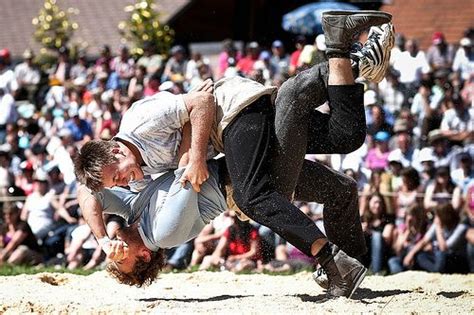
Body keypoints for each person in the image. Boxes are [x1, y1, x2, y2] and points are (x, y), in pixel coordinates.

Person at [75, 12, 394, 297]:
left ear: (115, 151)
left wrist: (102, 239)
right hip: (246, 154)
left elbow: (185, 166)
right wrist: (190, 131)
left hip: (235, 125)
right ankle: (342, 54)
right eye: (120, 261)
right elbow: (180, 169)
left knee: (255, 196)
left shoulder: (138, 140)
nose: (113, 255)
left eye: (111, 259)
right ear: (144, 257)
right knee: (345, 144)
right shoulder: (156, 227)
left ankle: (332, 260)